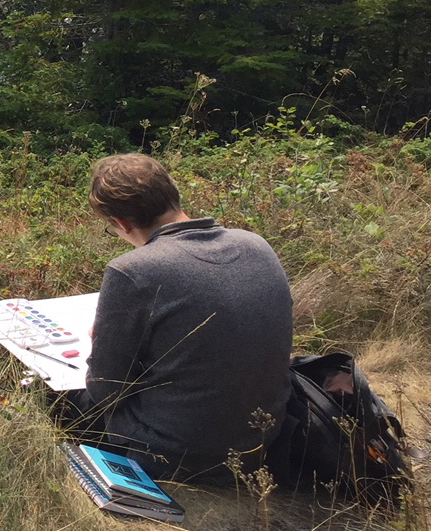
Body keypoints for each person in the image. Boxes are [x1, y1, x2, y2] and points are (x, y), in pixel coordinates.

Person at [72, 153, 294, 483]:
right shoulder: (256, 244)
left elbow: (106, 390)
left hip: (172, 454)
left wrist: (101, 343)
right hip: (262, 441)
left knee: (56, 397)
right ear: (173, 194)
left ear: (122, 223)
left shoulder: (132, 271)